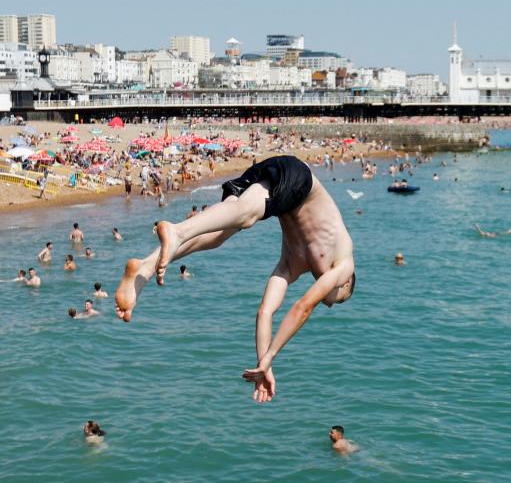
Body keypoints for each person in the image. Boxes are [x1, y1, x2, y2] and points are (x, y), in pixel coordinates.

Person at [115, 155, 356, 403]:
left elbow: (265, 313)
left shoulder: (293, 264)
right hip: (298, 178)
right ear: (347, 283)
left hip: (273, 179)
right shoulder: (345, 263)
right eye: (338, 301)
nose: (329, 304)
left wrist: (264, 363)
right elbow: (303, 307)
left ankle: (143, 269)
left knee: (218, 235)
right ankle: (177, 230)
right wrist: (272, 355)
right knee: (246, 216)